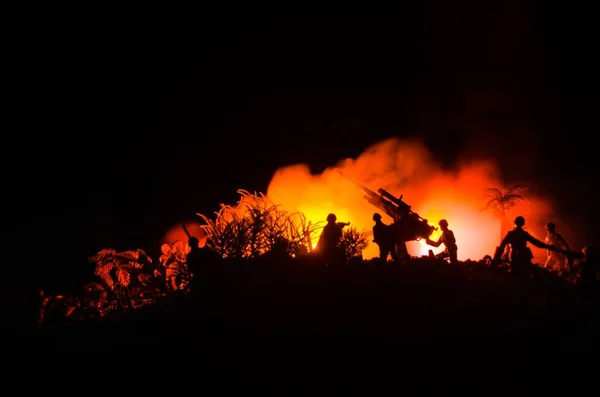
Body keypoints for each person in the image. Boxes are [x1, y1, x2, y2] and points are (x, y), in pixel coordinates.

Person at [493, 216, 559, 279]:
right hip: (523, 257)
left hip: (514, 257)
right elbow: (536, 242)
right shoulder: (524, 234)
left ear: (514, 222)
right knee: (525, 273)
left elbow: (502, 245)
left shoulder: (511, 234)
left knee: (515, 273)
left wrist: (496, 259)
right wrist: (548, 246)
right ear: (523, 223)